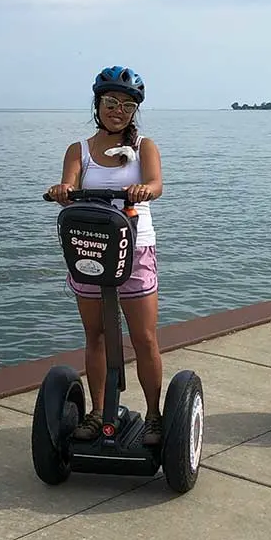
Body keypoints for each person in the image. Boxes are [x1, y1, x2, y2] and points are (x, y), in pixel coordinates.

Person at [46, 66, 164, 445]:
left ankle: (156, 416)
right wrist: (63, 190)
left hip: (136, 244)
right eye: (111, 102)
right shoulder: (78, 149)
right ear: (98, 104)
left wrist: (144, 189)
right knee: (94, 334)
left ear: (134, 112)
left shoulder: (144, 146)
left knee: (144, 337)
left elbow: (156, 183)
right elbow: (70, 181)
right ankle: (98, 412)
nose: (118, 110)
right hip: (92, 246)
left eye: (127, 105)